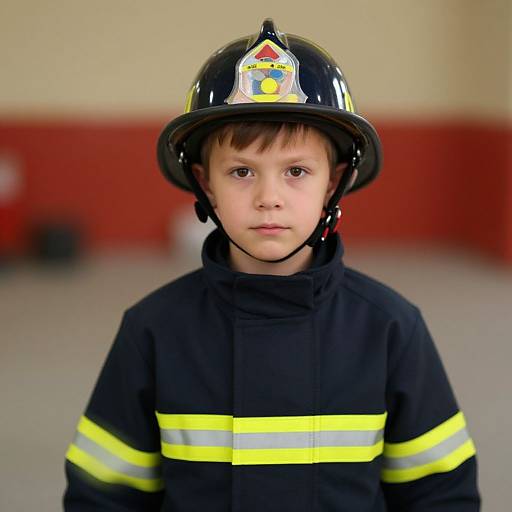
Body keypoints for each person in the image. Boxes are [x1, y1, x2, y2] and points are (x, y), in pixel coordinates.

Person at [63, 19, 480, 511]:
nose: (269, 199)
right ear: (205, 183)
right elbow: (103, 497)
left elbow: (440, 496)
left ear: (333, 183)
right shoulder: (153, 330)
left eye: (297, 171)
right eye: (241, 171)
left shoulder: (390, 328)